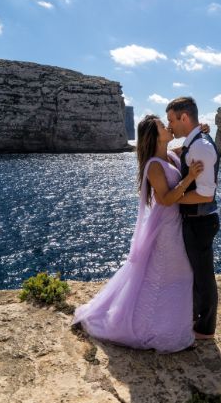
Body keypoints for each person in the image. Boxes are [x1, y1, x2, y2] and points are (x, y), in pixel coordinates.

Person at [72, 115, 204, 353]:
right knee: (170, 276)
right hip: (166, 229)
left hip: (176, 225)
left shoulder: (170, 155)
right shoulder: (154, 165)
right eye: (163, 126)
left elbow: (182, 147)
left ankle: (171, 328)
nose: (168, 126)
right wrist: (189, 179)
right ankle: (154, 330)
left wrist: (198, 132)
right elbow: (164, 200)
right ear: (155, 137)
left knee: (178, 277)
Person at [165, 96, 220, 340]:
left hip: (200, 220)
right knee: (196, 272)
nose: (170, 126)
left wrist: (172, 198)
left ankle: (206, 328)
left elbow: (206, 195)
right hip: (195, 220)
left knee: (203, 274)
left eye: (172, 120)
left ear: (184, 117)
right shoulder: (194, 142)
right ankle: (197, 318)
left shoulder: (200, 147)